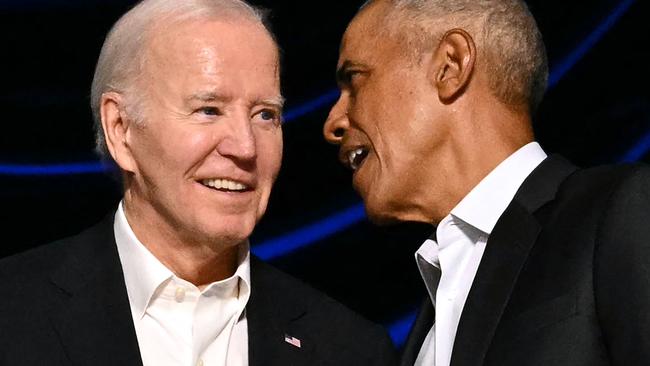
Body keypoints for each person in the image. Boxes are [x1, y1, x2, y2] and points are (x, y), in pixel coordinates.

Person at [0, 1, 397, 365]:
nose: (244, 147)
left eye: (265, 115)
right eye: (209, 110)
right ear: (121, 130)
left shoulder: (349, 350)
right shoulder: (13, 313)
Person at [323, 0, 650, 365]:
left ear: (451, 65)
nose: (333, 123)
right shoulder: (422, 324)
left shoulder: (622, 211)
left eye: (354, 80)